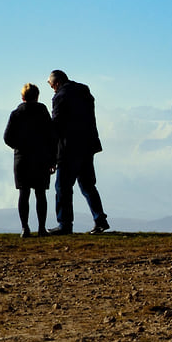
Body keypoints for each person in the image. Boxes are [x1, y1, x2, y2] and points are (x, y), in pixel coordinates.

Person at [48, 70, 111, 234]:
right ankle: (100, 220)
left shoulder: (60, 96)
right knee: (88, 185)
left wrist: (51, 152)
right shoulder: (84, 91)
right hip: (87, 145)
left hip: (68, 148)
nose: (51, 88)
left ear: (56, 83)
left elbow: (57, 125)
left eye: (50, 84)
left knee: (63, 187)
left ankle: (65, 224)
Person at [3, 83, 58, 237]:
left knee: (23, 193)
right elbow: (52, 137)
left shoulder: (16, 114)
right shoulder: (43, 113)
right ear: (37, 96)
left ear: (23, 97)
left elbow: (7, 137)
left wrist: (19, 147)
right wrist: (52, 159)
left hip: (22, 159)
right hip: (41, 158)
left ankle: (24, 228)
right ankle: (41, 228)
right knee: (40, 194)